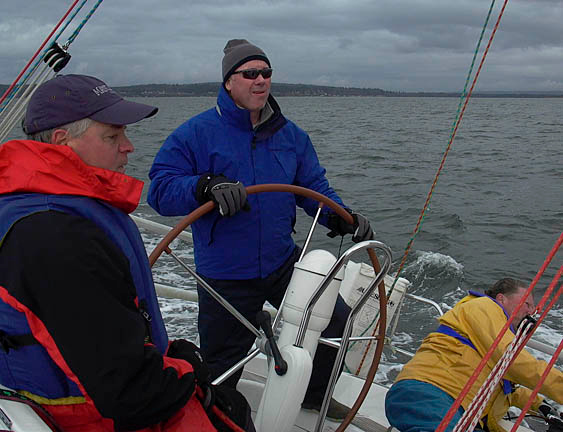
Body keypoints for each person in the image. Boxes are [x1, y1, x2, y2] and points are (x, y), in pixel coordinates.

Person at [0, 74, 253, 432]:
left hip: (70, 395)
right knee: (234, 413)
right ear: (62, 141)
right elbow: (129, 392)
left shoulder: (30, 206)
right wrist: (189, 371)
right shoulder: (58, 237)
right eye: (112, 136)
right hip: (96, 418)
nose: (129, 146)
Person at [147, 39, 374, 420]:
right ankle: (223, 421)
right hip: (225, 271)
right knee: (224, 363)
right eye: (250, 73)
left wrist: (340, 216)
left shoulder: (291, 136)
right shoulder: (195, 134)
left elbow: (314, 186)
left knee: (337, 323)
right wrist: (204, 186)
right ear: (228, 82)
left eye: (266, 73)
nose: (260, 81)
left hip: (280, 259)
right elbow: (160, 190)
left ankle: (313, 396)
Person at [385, 277, 563, 432]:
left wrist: (541, 405)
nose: (531, 312)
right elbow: (517, 363)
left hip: (455, 407)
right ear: (501, 298)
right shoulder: (485, 307)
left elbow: (506, 388)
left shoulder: (492, 337)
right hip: (429, 393)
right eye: (527, 304)